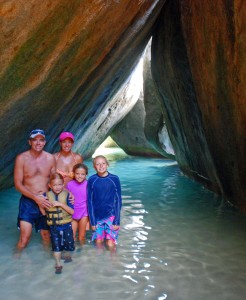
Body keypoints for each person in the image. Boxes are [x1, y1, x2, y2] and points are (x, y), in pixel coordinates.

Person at [14, 129, 56, 251]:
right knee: (24, 239)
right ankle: (16, 259)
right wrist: (35, 198)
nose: (38, 143)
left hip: (46, 200)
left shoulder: (50, 158)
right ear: (29, 142)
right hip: (28, 201)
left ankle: (45, 266)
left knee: (46, 236)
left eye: (41, 140)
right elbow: (17, 184)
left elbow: (55, 182)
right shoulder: (21, 158)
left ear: (45, 142)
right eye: (35, 140)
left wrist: (67, 194)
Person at [87, 155, 122, 249]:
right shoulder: (92, 180)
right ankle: (100, 262)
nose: (101, 166)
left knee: (110, 243)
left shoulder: (114, 179)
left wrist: (117, 221)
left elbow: (118, 200)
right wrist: (93, 222)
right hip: (97, 218)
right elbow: (89, 201)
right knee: (98, 242)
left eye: (103, 163)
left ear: (107, 164)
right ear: (94, 167)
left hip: (111, 216)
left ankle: (113, 262)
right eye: (97, 164)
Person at [45, 172, 75, 274]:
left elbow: (72, 211)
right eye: (54, 185)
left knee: (68, 243)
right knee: (56, 246)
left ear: (63, 185)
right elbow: (42, 210)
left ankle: (66, 255)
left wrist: (60, 204)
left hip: (66, 225)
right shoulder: (46, 196)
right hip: (54, 226)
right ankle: (58, 264)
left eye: (59, 185)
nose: (57, 187)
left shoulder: (67, 196)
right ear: (50, 185)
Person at [66, 163, 89, 243]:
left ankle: (83, 254)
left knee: (81, 237)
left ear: (86, 175)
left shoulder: (88, 184)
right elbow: (66, 200)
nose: (80, 176)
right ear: (73, 174)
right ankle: (74, 254)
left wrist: (89, 221)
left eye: (82, 174)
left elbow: (91, 202)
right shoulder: (69, 185)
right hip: (73, 214)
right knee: (71, 238)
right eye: (77, 174)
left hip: (84, 214)